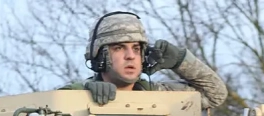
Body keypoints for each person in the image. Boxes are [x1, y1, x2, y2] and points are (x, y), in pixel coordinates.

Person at [60, 11, 228, 109]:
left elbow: (215, 95)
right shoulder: (76, 95)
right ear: (100, 56)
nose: (130, 56)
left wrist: (181, 60)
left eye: (136, 48)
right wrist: (84, 94)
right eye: (119, 48)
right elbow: (50, 107)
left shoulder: (160, 96)